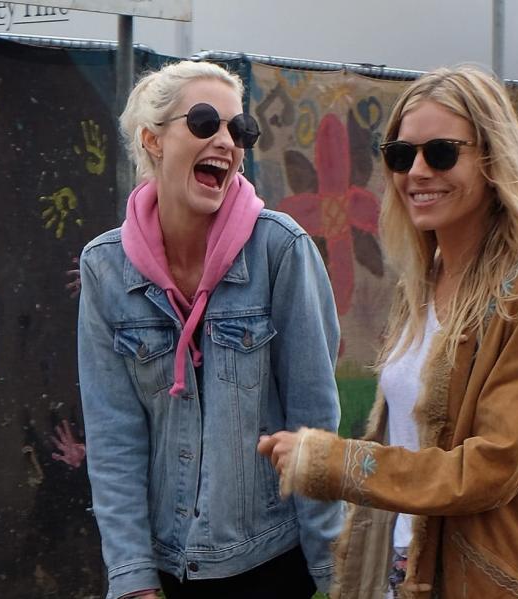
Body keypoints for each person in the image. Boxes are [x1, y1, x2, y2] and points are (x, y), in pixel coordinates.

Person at [258, 66, 518, 599]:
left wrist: (336, 463)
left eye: (441, 153)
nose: (417, 172)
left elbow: (489, 469)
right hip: (411, 563)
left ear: (491, 159)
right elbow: (407, 435)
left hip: (495, 577)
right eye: (401, 156)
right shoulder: (423, 278)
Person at [77, 60, 343, 599]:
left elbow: (316, 427)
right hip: (164, 568)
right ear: (153, 139)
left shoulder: (280, 250)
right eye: (204, 123)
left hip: (269, 562)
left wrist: (337, 579)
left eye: (239, 129)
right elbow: (113, 437)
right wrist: (132, 580)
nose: (226, 141)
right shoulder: (105, 267)